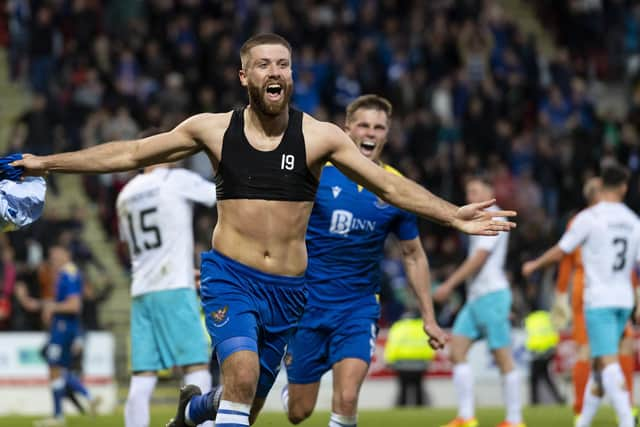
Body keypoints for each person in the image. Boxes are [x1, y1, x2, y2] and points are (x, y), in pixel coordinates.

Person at [7, 33, 516, 427]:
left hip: (291, 292)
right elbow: (131, 153)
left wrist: (452, 214)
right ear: (244, 76)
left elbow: (387, 186)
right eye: (264, 64)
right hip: (232, 279)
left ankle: (192, 410)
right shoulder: (212, 129)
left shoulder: (321, 137)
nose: (276, 71)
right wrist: (43, 162)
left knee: (242, 406)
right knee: (244, 378)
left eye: (283, 64)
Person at [278, 95, 447, 427]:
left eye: (379, 127)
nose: (371, 133)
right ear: (348, 130)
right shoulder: (315, 174)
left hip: (358, 306)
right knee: (299, 412)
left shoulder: (396, 188)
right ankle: (291, 392)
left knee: (347, 398)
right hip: (306, 306)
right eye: (364, 125)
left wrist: (429, 316)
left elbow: (413, 255)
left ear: (387, 134)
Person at [522, 164, 640, 427]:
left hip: (598, 300)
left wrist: (535, 265)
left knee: (607, 363)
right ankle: (582, 421)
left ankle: (626, 420)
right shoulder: (633, 220)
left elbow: (561, 251)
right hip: (624, 299)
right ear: (623, 187)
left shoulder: (589, 218)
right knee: (600, 365)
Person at [116, 157, 217, 427]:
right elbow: (218, 194)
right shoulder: (176, 180)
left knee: (142, 376)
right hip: (173, 287)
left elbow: (128, 245)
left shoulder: (125, 194)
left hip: (141, 291)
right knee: (196, 366)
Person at [433, 176, 525, 427]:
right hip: (476, 298)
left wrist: (449, 284)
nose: (469, 196)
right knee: (457, 351)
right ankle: (466, 416)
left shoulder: (494, 216)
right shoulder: (476, 218)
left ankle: (515, 420)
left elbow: (479, 258)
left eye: (475, 191)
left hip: (492, 295)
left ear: (489, 191)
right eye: (468, 192)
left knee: (503, 356)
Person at [552, 176, 636, 419]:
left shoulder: (618, 221)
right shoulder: (583, 221)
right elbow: (566, 260)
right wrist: (560, 295)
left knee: (624, 345)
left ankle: (625, 405)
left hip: (617, 289)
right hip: (590, 289)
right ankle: (582, 409)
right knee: (587, 350)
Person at [33, 244, 100, 427]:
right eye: (50, 255)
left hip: (64, 328)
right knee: (57, 369)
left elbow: (74, 305)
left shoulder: (69, 274)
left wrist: (51, 307)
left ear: (65, 254)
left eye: (55, 254)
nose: (52, 258)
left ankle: (59, 415)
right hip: (63, 327)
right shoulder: (66, 273)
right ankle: (84, 399)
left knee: (55, 368)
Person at [524, 310, 564, 405]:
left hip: (538, 352)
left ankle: (534, 401)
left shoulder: (531, 319)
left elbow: (531, 337)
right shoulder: (547, 316)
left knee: (535, 378)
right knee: (545, 377)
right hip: (548, 351)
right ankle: (559, 399)